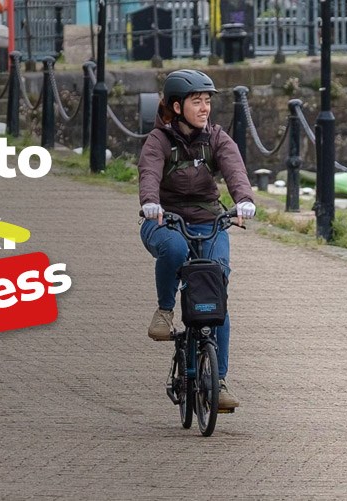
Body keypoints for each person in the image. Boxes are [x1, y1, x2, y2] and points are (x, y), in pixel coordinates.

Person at [138, 69, 255, 411]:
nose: (205, 108)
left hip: (209, 220)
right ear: (176, 106)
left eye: (207, 101)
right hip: (164, 219)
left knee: (216, 284)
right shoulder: (159, 141)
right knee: (173, 249)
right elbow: (149, 172)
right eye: (196, 101)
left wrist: (243, 200)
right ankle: (164, 310)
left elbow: (234, 168)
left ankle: (218, 381)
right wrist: (150, 204)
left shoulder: (216, 138)